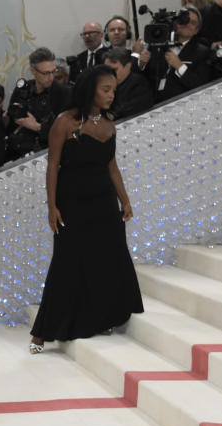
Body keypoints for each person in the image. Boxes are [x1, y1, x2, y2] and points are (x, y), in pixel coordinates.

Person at [29, 65, 143, 353]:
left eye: (114, 90)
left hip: (104, 203)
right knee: (66, 263)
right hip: (72, 202)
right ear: (90, 89)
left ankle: (99, 318)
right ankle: (43, 332)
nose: (111, 95)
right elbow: (52, 165)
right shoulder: (65, 122)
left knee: (107, 258)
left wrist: (125, 200)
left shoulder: (109, 124)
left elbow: (112, 167)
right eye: (106, 89)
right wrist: (51, 206)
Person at [5, 47, 72, 161]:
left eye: (53, 71)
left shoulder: (64, 94)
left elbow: (68, 132)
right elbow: (12, 121)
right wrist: (6, 120)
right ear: (33, 71)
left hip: (47, 154)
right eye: (46, 73)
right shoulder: (22, 89)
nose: (51, 77)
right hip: (17, 152)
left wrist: (37, 127)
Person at [140, 6, 212, 104]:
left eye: (193, 23)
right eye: (184, 20)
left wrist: (180, 66)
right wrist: (141, 64)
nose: (187, 24)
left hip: (183, 104)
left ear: (197, 30)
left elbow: (200, 85)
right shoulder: (157, 44)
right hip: (153, 104)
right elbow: (144, 78)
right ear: (176, 24)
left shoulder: (202, 52)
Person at [102, 47, 153, 120]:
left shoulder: (139, 83)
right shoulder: (104, 86)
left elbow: (134, 106)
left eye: (114, 70)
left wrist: (113, 115)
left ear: (128, 66)